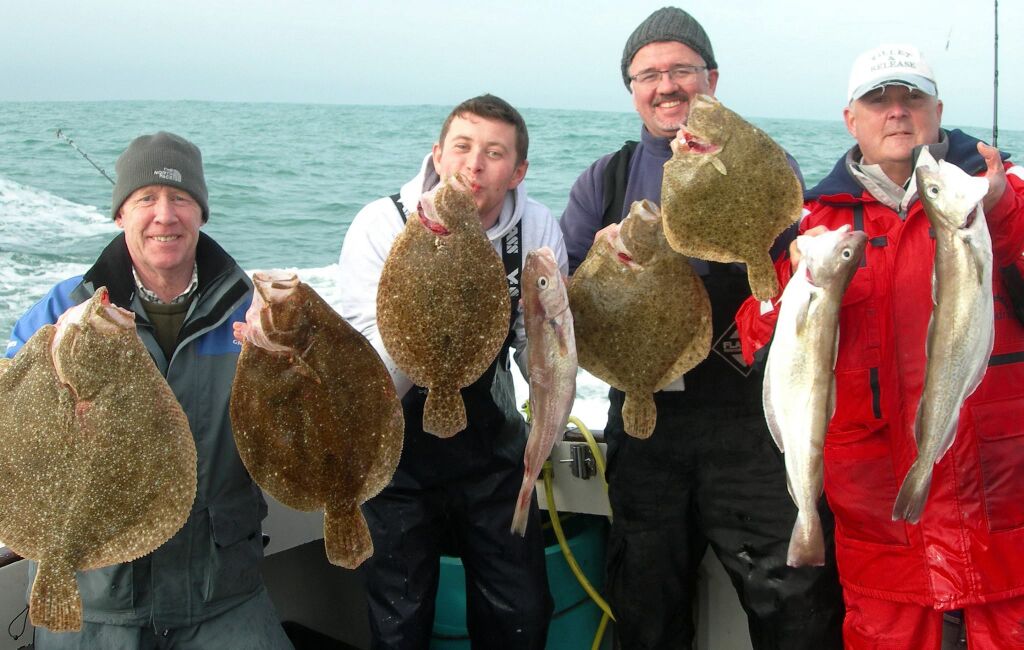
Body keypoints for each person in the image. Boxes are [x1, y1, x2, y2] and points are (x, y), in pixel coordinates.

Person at [559, 7, 845, 649]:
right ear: (631, 88)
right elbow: (566, 303)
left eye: (682, 69)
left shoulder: (762, 162)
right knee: (647, 607)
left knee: (794, 607)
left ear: (711, 79)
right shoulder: (600, 183)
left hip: (749, 420)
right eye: (649, 74)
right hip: (646, 423)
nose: (667, 86)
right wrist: (604, 264)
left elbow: (806, 260)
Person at [737, 44, 1024, 650]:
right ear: (852, 120)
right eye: (878, 100)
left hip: (1008, 524)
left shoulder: (1000, 195)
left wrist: (1002, 217)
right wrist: (785, 292)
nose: (896, 112)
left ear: (938, 109)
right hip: (881, 536)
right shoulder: (815, 224)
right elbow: (758, 346)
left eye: (911, 98)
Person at [6, 132, 293, 650]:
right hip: (95, 593)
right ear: (120, 215)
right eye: (146, 199)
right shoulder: (62, 310)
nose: (165, 215)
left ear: (202, 213)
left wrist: (285, 360)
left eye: (181, 199)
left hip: (223, 590)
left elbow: (299, 434)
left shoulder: (255, 312)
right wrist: (51, 360)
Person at [336, 94, 564, 649]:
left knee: (522, 612)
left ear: (518, 172)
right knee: (399, 619)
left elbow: (546, 355)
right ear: (437, 155)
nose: (474, 165)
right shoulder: (383, 222)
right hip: (394, 453)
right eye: (461, 147)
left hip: (492, 452)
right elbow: (365, 367)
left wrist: (543, 437)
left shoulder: (535, 230)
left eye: (494, 153)